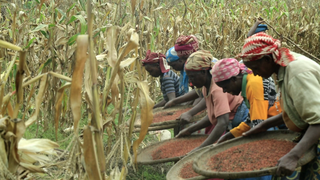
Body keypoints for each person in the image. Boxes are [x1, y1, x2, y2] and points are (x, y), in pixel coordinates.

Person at [237, 32, 320, 179]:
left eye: (255, 68)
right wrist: (265, 125)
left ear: (267, 59)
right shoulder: (281, 65)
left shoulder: (296, 73)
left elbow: (318, 120)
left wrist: (294, 156)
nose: (255, 74)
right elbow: (298, 109)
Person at [175, 50, 247, 153]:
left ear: (204, 72)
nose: (191, 81)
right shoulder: (206, 87)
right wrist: (190, 130)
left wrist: (199, 149)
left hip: (239, 117)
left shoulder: (217, 89)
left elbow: (222, 122)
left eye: (193, 77)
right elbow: (213, 115)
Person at [211, 58, 281, 145]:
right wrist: (230, 135)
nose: (224, 91)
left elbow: (259, 125)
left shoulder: (253, 85)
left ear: (234, 80)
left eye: (225, 87)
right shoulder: (248, 79)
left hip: (281, 122)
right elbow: (251, 119)